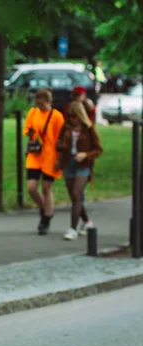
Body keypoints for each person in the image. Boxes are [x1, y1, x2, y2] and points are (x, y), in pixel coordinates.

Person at [55, 101, 103, 240]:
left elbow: (98, 149)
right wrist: (61, 148)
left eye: (74, 116)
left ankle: (73, 228)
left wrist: (86, 155)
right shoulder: (66, 127)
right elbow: (59, 143)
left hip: (83, 166)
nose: (72, 119)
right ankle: (87, 222)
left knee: (77, 193)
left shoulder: (89, 129)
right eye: (69, 116)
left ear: (80, 115)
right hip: (69, 163)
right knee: (74, 197)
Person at [24, 89, 65, 235]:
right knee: (31, 188)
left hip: (50, 156)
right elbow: (28, 131)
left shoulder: (57, 117)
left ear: (49, 102)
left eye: (42, 105)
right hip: (35, 155)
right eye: (38, 104)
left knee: (46, 187)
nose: (40, 107)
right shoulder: (33, 113)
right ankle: (44, 209)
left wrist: (60, 160)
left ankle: (46, 219)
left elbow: (61, 140)